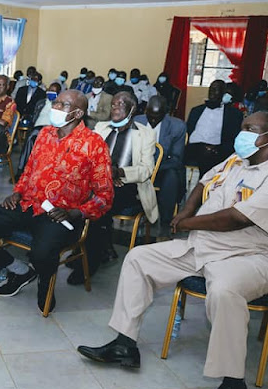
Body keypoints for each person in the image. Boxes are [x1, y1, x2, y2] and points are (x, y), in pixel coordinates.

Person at [77, 111, 268, 389]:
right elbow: (203, 182)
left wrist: (187, 222)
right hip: (206, 245)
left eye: (249, 129)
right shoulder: (239, 159)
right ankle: (124, 343)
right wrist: (186, 210)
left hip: (259, 256)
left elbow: (237, 219)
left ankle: (233, 384)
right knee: (138, 258)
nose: (242, 134)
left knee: (224, 290)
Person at [0, 90, 114, 313]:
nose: (56, 107)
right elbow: (29, 171)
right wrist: (17, 193)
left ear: (78, 113)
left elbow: (104, 196)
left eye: (63, 105)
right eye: (56, 102)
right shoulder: (44, 134)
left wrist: (76, 213)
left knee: (42, 253)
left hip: (61, 215)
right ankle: (20, 270)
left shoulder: (94, 144)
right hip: (26, 204)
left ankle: (44, 281)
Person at [69, 91, 159, 284]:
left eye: (121, 104)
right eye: (113, 105)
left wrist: (119, 173)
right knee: (73, 194)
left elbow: (146, 170)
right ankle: (89, 246)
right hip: (99, 180)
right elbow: (87, 156)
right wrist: (104, 174)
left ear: (132, 109)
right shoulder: (102, 127)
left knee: (98, 205)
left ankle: (88, 263)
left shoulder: (145, 134)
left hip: (128, 186)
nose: (115, 108)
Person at [135, 95, 187, 238]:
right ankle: (134, 210)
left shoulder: (178, 126)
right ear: (146, 111)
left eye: (156, 117)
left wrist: (154, 167)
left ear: (166, 113)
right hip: (138, 167)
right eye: (150, 116)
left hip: (163, 168)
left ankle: (165, 221)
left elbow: (176, 159)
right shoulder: (137, 121)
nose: (152, 121)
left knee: (172, 176)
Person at [185, 80, 244, 176]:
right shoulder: (196, 111)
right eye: (211, 89)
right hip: (195, 147)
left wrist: (216, 148)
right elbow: (188, 132)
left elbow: (233, 138)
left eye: (216, 89)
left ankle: (204, 186)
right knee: (203, 153)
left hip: (218, 149)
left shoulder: (233, 114)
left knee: (210, 156)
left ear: (223, 93)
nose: (212, 92)